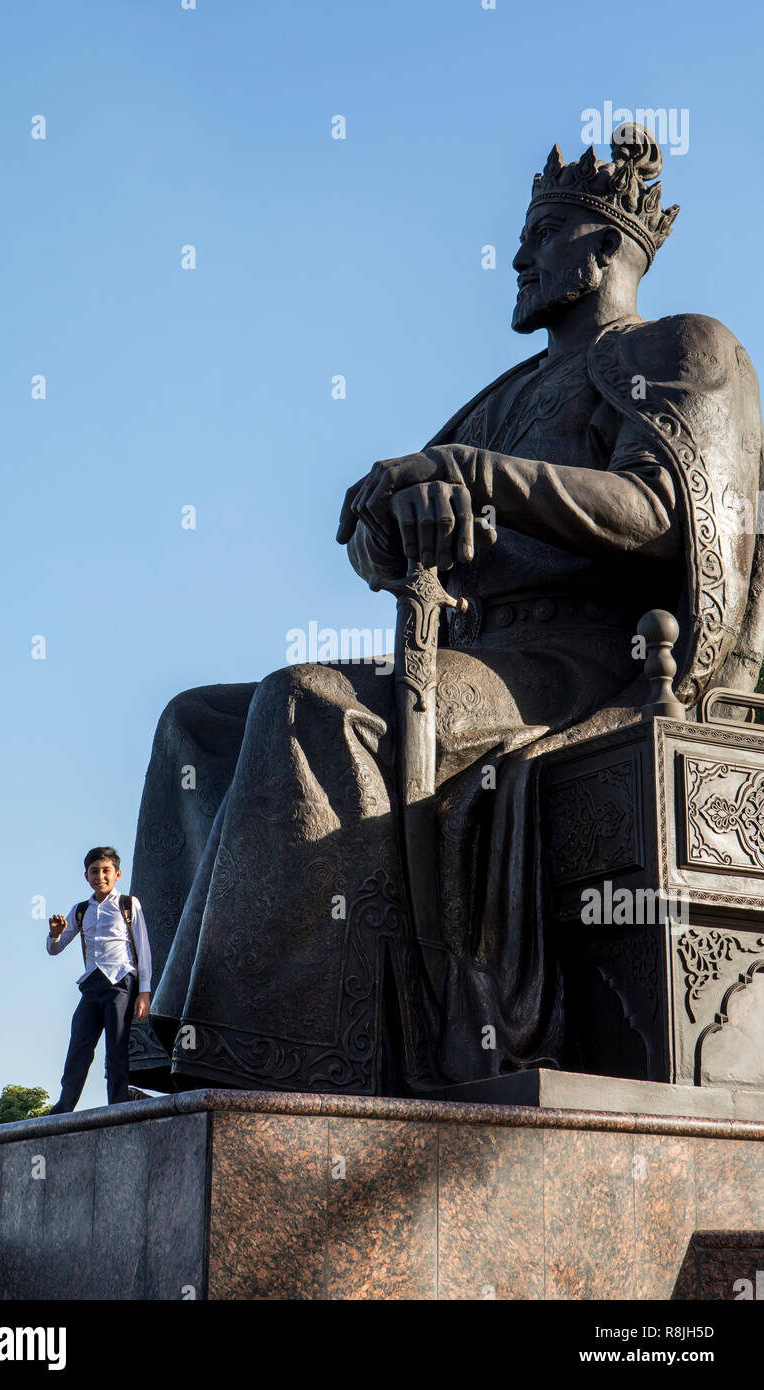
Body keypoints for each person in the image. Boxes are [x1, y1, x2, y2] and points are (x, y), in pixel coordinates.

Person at [129, 125, 764, 1097]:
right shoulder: (499, 396)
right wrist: (388, 520)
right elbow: (380, 538)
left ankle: (298, 1068)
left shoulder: (681, 347)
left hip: (584, 663)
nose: (516, 258)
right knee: (197, 724)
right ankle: (178, 1038)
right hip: (470, 656)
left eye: (541, 236)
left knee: (311, 702)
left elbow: (664, 513)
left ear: (602, 250)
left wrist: (472, 477)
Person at [46, 847, 152, 1112]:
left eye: (106, 871)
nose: (100, 876)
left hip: (120, 983)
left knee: (116, 1049)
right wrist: (55, 934)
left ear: (117, 874)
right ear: (86, 876)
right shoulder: (81, 910)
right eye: (94, 871)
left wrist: (144, 992)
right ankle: (64, 1106)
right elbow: (54, 949)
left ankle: (117, 1106)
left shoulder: (128, 904)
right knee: (79, 1046)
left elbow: (144, 948)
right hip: (92, 986)